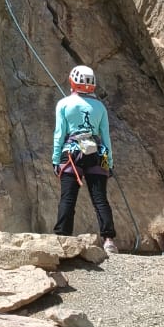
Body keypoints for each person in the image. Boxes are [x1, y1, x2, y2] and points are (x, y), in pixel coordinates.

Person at [52, 65, 117, 254]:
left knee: (68, 197)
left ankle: (63, 237)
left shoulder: (64, 104)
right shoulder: (100, 107)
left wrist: (56, 159)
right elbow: (105, 136)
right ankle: (109, 240)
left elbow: (59, 134)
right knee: (100, 199)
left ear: (72, 82)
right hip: (97, 154)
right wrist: (109, 163)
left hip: (71, 154)